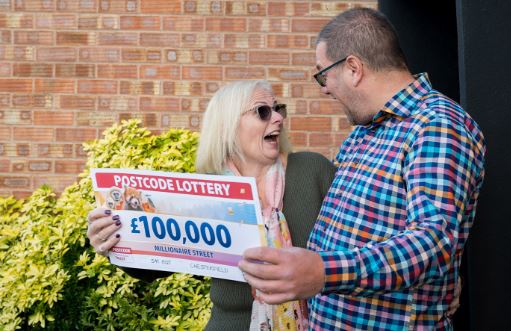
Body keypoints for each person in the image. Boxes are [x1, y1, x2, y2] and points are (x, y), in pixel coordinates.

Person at [238, 7, 486, 330]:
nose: (324, 88)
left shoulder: (437, 125)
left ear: (353, 68)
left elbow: (432, 243)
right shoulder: (363, 132)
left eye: (323, 74)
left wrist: (323, 271)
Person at [86, 80, 336, 330]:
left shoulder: (313, 170)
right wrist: (116, 239)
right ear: (228, 126)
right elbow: (156, 262)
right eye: (263, 111)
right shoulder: (207, 191)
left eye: (278, 108)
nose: (278, 118)